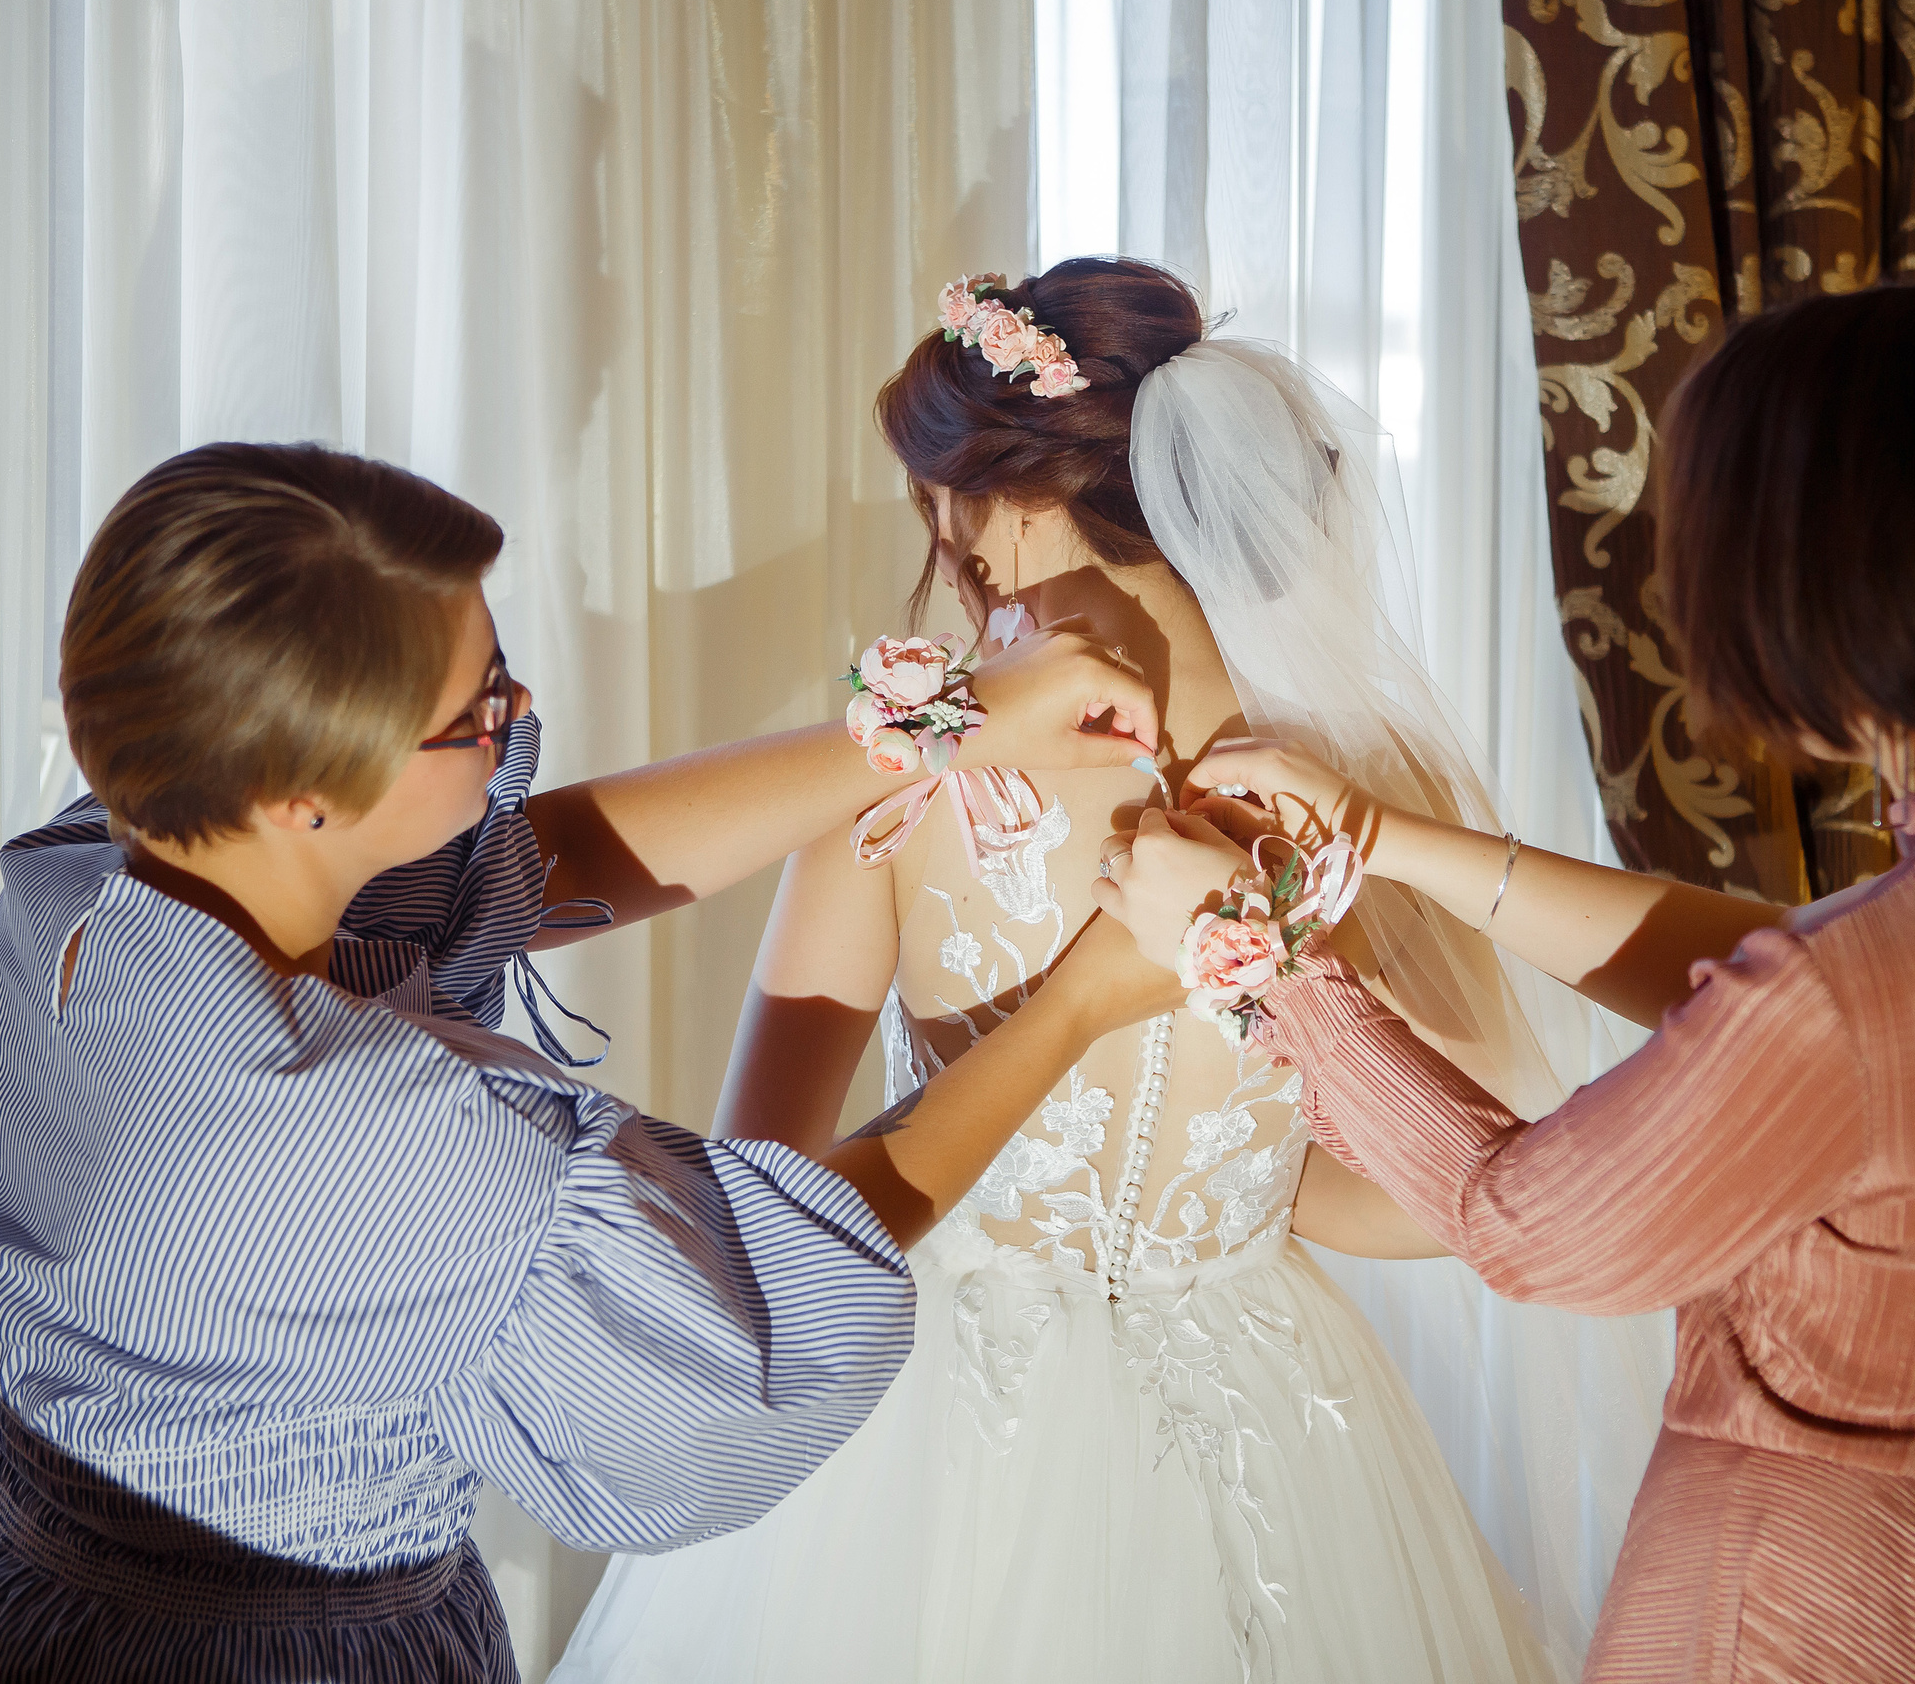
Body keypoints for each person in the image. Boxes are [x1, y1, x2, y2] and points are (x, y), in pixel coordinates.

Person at [1089, 278, 1915, 1681]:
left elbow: (1522, 1221)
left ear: (1806, 590)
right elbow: (1808, 968)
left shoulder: (1849, 1003)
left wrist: (1256, 959)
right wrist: (1389, 841)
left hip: (1813, 1610)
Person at [0, 441, 1165, 1683]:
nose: (520, 712)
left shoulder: (101, 867)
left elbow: (532, 870)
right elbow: (764, 1296)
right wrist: (1079, 998)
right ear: (303, 790)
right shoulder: (399, 1150)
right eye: (476, 710)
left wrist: (946, 729)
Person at [548, 259, 1648, 1683]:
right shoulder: (1364, 782)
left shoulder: (908, 776)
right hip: (1279, 1408)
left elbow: (771, 1189)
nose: (943, 544)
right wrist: (1235, 1189)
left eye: (939, 497)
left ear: (1005, 501)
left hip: (924, 1431)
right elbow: (1468, 1189)